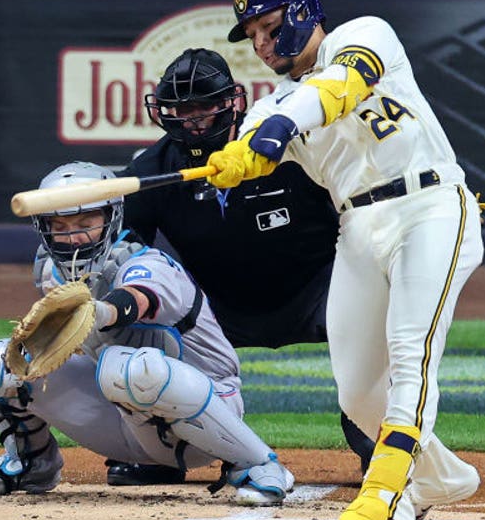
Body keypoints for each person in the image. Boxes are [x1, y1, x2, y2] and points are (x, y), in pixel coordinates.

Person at [209, 0, 484, 520]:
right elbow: (258, 139)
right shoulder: (273, 104)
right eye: (251, 36)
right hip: (357, 226)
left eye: (269, 27)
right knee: (358, 394)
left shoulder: (365, 35)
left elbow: (338, 89)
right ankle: (441, 479)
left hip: (431, 206)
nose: (261, 45)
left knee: (411, 353)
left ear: (305, 12)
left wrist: (280, 126)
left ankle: (384, 497)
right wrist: (236, 159)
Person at [108, 47, 375, 487]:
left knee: (372, 320)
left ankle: (377, 447)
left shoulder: (293, 149)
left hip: (317, 290)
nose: (191, 120)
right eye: (180, 110)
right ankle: (159, 451)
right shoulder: (154, 170)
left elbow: (357, 203)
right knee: (143, 330)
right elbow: (125, 244)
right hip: (216, 307)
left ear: (232, 103)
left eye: (202, 108)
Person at [0, 161, 294, 506]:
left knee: (128, 367)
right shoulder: (50, 271)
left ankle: (256, 463)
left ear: (110, 218)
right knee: (2, 365)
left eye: (85, 223)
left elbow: (139, 297)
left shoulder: (147, 263)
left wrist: (101, 311)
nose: (73, 236)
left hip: (206, 416)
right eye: (60, 225)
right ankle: (31, 463)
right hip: (122, 417)